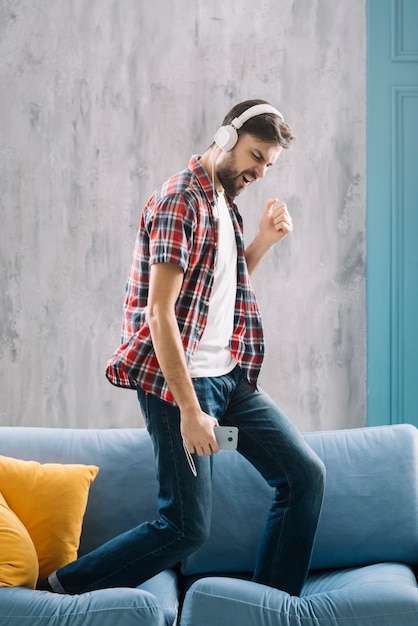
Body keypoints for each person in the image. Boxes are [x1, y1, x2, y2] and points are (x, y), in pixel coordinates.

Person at [40, 99, 325, 597]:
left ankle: (266, 608)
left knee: (304, 477)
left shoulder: (223, 205)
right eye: (257, 157)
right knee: (186, 527)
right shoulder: (180, 200)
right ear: (228, 138)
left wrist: (261, 242)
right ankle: (63, 587)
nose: (260, 172)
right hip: (180, 389)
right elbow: (160, 313)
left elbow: (217, 295)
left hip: (229, 380)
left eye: (269, 165)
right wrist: (191, 412)